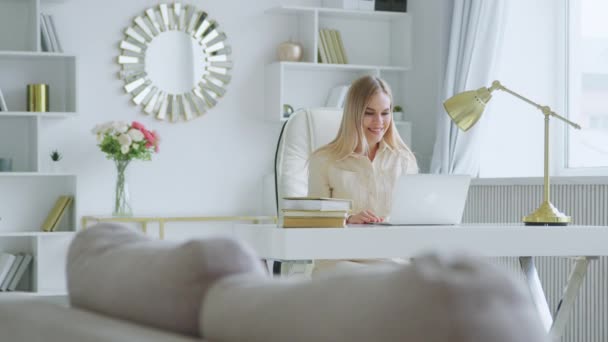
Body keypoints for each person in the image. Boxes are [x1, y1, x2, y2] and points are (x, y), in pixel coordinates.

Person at [307, 75, 418, 275]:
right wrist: (347, 219)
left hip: (390, 259)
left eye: (385, 113)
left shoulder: (404, 160)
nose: (379, 122)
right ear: (353, 114)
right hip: (340, 261)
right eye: (369, 113)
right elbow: (315, 220)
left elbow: (414, 219)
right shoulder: (323, 160)